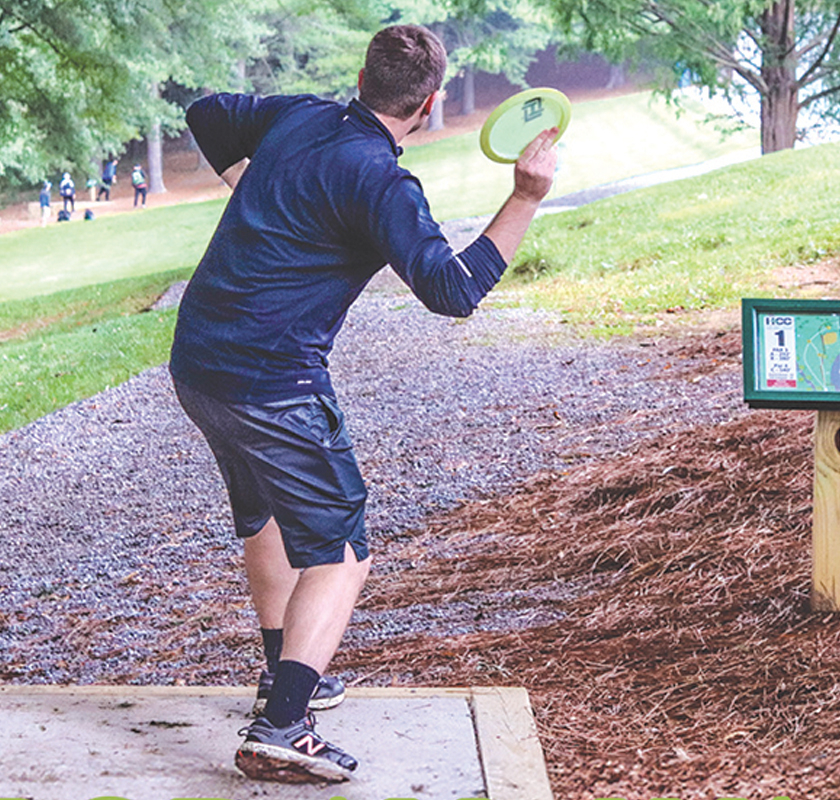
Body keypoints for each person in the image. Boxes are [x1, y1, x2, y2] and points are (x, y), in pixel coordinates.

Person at [169, 24, 556, 784]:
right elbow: (453, 291)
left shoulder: (303, 115)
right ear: (431, 102)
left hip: (198, 362)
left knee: (269, 516)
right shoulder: (380, 180)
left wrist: (250, 183)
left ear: (360, 75)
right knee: (341, 548)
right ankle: (282, 726)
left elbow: (208, 110)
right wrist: (525, 196)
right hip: (272, 383)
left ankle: (283, 681)